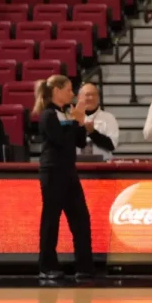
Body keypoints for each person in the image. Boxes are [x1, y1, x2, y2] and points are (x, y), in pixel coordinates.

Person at [33, 75, 96, 284]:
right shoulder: (47, 114)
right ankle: (47, 266)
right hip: (52, 172)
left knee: (81, 218)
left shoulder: (67, 112)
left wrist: (78, 121)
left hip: (69, 171)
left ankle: (85, 266)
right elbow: (59, 140)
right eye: (69, 90)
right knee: (51, 219)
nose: (72, 94)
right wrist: (74, 120)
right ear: (57, 91)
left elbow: (78, 141)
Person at [76, 83, 119, 161]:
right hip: (76, 166)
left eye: (94, 95)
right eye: (87, 95)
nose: (91, 98)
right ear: (79, 97)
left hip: (103, 165)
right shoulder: (71, 117)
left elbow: (112, 146)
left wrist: (93, 133)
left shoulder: (109, 118)